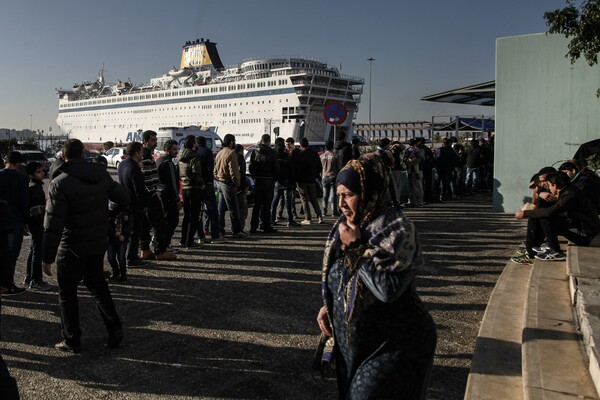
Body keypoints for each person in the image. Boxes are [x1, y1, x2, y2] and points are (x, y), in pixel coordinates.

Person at [316, 153, 437, 399]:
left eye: (348, 194)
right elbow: (343, 275)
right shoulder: (345, 226)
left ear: (369, 191)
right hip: (358, 344)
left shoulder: (398, 229)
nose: (341, 203)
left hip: (397, 342)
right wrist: (330, 305)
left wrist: (357, 247)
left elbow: (387, 289)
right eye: (338, 195)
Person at [42, 139, 130, 353]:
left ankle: (72, 339)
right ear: (83, 153)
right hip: (97, 243)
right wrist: (106, 216)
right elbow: (125, 197)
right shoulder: (101, 174)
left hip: (71, 245)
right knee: (99, 287)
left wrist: (47, 257)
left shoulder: (60, 182)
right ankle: (115, 329)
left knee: (67, 293)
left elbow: (53, 224)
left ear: (63, 157)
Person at [513, 171, 600, 263]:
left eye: (549, 185)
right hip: (579, 229)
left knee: (545, 216)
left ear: (554, 186)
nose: (548, 188)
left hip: (586, 235)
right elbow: (540, 209)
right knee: (539, 214)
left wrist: (525, 213)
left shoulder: (571, 194)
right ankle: (532, 251)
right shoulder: (568, 190)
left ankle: (555, 250)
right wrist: (540, 196)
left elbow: (550, 212)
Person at [140, 130, 176, 260]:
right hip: (150, 194)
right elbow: (145, 176)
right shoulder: (145, 155)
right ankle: (160, 251)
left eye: (155, 140)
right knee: (159, 224)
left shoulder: (147, 154)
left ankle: (144, 250)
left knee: (145, 225)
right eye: (153, 140)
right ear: (145, 141)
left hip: (147, 194)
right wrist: (152, 192)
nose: (155, 143)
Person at [0, 151, 29, 295]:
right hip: (14, 221)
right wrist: (26, 221)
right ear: (18, 164)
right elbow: (24, 203)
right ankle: (8, 284)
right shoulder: (21, 179)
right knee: (11, 256)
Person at [118, 142, 149, 268]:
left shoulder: (122, 164)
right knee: (136, 232)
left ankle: (123, 257)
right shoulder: (134, 168)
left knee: (127, 232)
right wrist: (145, 203)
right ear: (137, 153)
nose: (142, 154)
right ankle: (132, 258)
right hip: (135, 205)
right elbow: (139, 190)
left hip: (125, 203)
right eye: (141, 152)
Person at [25, 162, 52, 291]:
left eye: (42, 171)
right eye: (39, 172)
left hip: (33, 224)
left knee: (33, 250)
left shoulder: (33, 186)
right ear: (31, 174)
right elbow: (37, 211)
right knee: (37, 252)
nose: (42, 173)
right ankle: (36, 280)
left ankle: (29, 277)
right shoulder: (35, 188)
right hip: (37, 224)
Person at [214, 134, 248, 238]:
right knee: (234, 208)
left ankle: (220, 230)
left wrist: (218, 178)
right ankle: (237, 231)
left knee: (221, 208)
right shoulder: (231, 153)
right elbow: (234, 171)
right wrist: (236, 183)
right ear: (231, 142)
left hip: (220, 182)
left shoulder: (219, 153)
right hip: (228, 183)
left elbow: (214, 170)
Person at [248, 134, 279, 233]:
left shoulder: (255, 151)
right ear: (269, 141)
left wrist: (254, 176)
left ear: (261, 140)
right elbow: (276, 168)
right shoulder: (272, 152)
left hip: (258, 180)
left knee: (256, 205)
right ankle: (266, 226)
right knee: (267, 205)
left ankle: (253, 227)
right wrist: (275, 178)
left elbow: (251, 166)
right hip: (269, 180)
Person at [178, 135, 204, 248]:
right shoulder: (195, 156)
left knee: (187, 215)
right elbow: (196, 173)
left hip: (184, 187)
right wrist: (202, 184)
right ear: (193, 144)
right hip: (194, 188)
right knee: (194, 216)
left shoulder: (180, 155)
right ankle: (189, 241)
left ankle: (183, 240)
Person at [156, 140, 182, 249]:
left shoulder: (159, 160)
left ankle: (161, 243)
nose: (176, 152)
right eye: (174, 149)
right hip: (168, 196)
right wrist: (177, 199)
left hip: (160, 194)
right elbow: (173, 183)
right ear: (167, 150)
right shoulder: (169, 163)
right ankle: (164, 245)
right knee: (172, 221)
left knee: (164, 221)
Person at [196, 136, 220, 243]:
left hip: (197, 186)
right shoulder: (207, 151)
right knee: (213, 211)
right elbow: (211, 167)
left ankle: (200, 236)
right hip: (207, 184)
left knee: (198, 212)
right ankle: (215, 236)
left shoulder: (195, 152)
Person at [296, 138, 323, 225]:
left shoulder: (300, 155)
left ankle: (308, 218)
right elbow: (320, 167)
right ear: (308, 144)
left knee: (304, 199)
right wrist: (314, 175)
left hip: (302, 179)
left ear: (300, 145)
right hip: (312, 179)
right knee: (313, 198)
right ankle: (319, 216)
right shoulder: (314, 153)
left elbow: (298, 168)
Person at [271, 138, 298, 227]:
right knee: (288, 202)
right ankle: (290, 220)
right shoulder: (287, 157)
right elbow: (291, 171)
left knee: (274, 202)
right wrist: (292, 181)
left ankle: (272, 220)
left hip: (277, 182)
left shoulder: (274, 157)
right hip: (286, 181)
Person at [106, 202, 133, 282]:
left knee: (121, 257)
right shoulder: (110, 211)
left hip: (122, 238)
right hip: (112, 238)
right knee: (110, 257)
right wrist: (114, 232)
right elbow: (107, 224)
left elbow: (130, 224)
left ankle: (123, 274)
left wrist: (124, 234)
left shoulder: (127, 212)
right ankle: (115, 271)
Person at [320, 140, 339, 216]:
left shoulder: (321, 156)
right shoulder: (334, 156)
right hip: (333, 176)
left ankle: (324, 211)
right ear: (332, 146)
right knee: (333, 195)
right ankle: (334, 211)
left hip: (324, 176)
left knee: (325, 195)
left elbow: (319, 167)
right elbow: (338, 167)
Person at [235, 144, 249, 232]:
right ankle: (240, 228)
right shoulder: (240, 158)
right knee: (242, 208)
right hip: (239, 187)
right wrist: (244, 186)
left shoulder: (229, 156)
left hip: (228, 186)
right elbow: (242, 174)